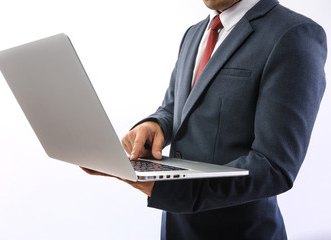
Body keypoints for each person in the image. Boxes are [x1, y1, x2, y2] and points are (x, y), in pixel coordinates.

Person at [82, 0, 327, 238]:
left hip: (239, 231)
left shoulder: (293, 34)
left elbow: (275, 167)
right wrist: (155, 124)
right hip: (175, 227)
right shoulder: (194, 33)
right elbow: (173, 108)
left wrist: (171, 189)